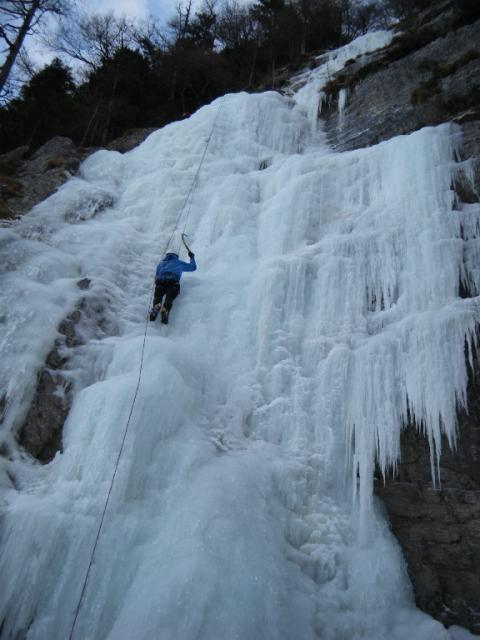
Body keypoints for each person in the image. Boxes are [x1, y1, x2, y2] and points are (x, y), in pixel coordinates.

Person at [149, 250, 197, 324]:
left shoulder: (161, 264)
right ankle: (165, 310)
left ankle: (156, 306)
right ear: (176, 256)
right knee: (169, 299)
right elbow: (193, 267)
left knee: (158, 297)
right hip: (173, 283)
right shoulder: (179, 263)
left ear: (167, 255)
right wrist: (192, 257)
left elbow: (157, 276)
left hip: (161, 282)